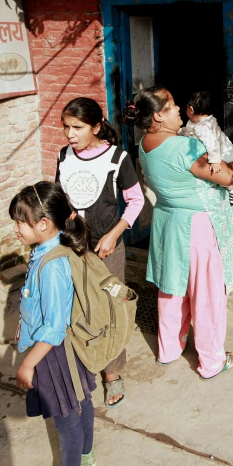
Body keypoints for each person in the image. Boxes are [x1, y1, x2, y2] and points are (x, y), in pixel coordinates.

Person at [124, 85, 233, 379]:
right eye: (173, 105)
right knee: (207, 295)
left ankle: (169, 349)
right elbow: (226, 176)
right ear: (159, 117)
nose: (179, 110)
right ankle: (212, 361)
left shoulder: (145, 144)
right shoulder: (184, 147)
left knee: (173, 289)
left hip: (168, 222)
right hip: (198, 226)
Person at [56, 97, 144, 409]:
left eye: (77, 127)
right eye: (66, 127)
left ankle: (112, 373)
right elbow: (62, 198)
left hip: (106, 249)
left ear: (95, 127)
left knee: (110, 308)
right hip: (72, 246)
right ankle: (82, 363)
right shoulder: (64, 156)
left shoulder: (117, 158)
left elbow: (136, 201)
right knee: (77, 306)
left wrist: (113, 235)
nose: (69, 134)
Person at [9, 181, 97, 466]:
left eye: (21, 221)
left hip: (55, 354)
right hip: (64, 349)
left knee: (66, 417)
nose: (16, 228)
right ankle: (87, 456)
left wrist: (27, 364)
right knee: (81, 400)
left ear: (43, 224)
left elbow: (54, 326)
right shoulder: (48, 250)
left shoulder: (52, 265)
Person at [178, 91, 233, 204]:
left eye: (187, 107)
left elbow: (213, 144)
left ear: (191, 110)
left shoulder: (204, 127)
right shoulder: (195, 122)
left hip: (224, 151)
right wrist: (179, 132)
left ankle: (232, 187)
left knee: (220, 174)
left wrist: (215, 161)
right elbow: (188, 131)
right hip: (220, 150)